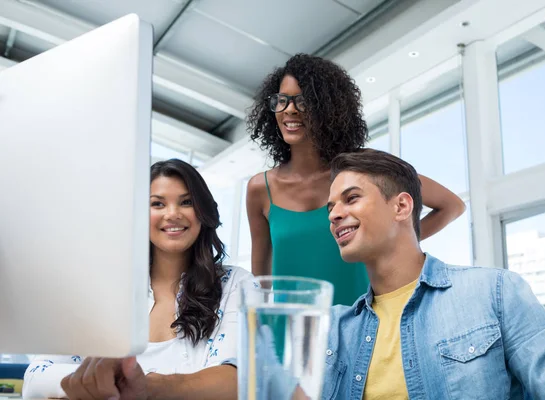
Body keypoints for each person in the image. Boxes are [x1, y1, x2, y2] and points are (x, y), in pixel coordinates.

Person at [316, 148, 545, 399]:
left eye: (351, 199)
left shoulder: (495, 292)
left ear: (401, 206)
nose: (334, 214)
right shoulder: (335, 330)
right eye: (331, 207)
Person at [246, 53, 466, 306]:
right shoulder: (260, 189)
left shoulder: (364, 170)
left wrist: (387, 240)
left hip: (362, 326)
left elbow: (451, 206)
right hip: (290, 335)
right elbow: (260, 281)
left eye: (303, 101)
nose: (290, 109)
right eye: (282, 101)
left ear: (327, 108)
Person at [23, 159, 249, 400]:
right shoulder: (103, 290)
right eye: (157, 204)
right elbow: (36, 377)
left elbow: (240, 380)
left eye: (186, 202)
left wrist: (145, 386)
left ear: (203, 212)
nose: (172, 214)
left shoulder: (236, 284)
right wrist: (104, 384)